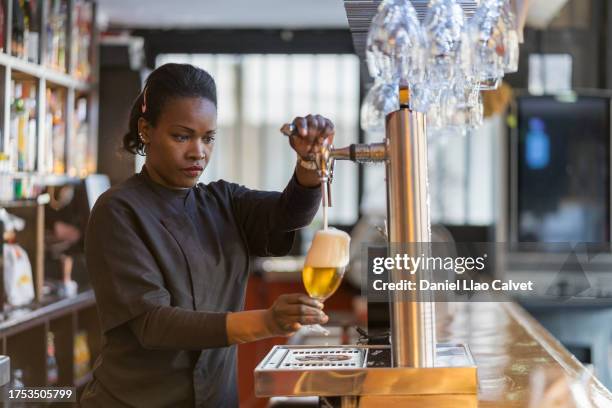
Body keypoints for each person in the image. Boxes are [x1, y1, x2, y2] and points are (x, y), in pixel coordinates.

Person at [81, 63, 333, 407]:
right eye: (182, 136)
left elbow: (288, 215)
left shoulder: (224, 202)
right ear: (146, 129)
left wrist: (308, 164)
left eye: (208, 137)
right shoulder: (118, 210)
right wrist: (266, 321)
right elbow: (154, 324)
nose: (198, 151)